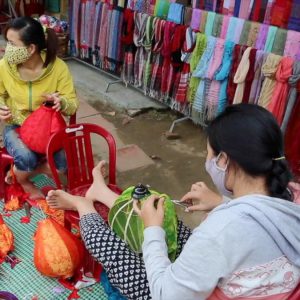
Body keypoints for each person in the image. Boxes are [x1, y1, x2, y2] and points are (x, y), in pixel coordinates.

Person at [46, 104, 300, 300]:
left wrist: (152, 232)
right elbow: (256, 229)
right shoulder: (292, 195)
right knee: (163, 214)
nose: (207, 160)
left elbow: (165, 294)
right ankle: (100, 192)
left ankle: (84, 206)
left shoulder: (222, 229)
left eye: (208, 154)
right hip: (240, 278)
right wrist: (222, 202)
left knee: (117, 252)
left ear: (224, 161)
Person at [0, 17, 78, 199]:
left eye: (12, 43)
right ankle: (25, 180)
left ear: (31, 49)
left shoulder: (58, 68)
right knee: (27, 159)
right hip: (16, 124)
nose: (7, 49)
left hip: (49, 129)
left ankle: (29, 170)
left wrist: (62, 103)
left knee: (63, 166)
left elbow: (72, 104)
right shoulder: (4, 66)